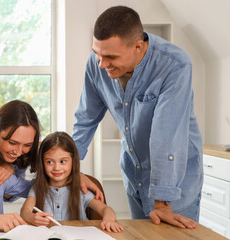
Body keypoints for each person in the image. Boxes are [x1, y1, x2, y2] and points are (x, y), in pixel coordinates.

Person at [72, 6, 202, 229]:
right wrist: (70, 169)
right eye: (97, 53)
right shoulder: (97, 64)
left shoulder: (174, 65)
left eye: (110, 57)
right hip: (135, 174)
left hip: (174, 183)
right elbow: (85, 118)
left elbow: (166, 135)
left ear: (138, 46)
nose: (102, 64)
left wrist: (161, 202)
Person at [20, 132, 123, 233]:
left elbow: (106, 209)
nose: (57, 168)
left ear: (73, 161)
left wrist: (109, 220)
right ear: (42, 163)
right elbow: (25, 211)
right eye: (49, 162)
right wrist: (32, 218)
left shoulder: (80, 189)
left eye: (63, 161)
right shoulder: (37, 187)